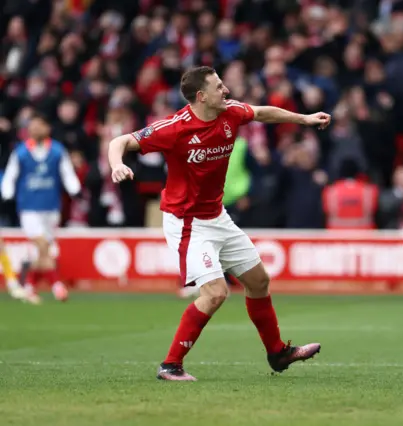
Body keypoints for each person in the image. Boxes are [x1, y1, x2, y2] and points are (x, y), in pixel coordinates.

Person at [108, 66, 330, 381]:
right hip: (187, 221)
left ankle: (278, 354)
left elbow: (262, 113)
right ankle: (170, 365)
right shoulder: (174, 128)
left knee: (258, 281)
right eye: (218, 87)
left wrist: (304, 119)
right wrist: (117, 165)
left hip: (217, 215)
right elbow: (120, 141)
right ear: (201, 96)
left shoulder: (230, 113)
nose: (226, 91)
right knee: (215, 293)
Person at [1, 113, 81, 304]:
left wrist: (74, 188)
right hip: (28, 206)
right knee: (41, 244)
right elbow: (11, 174)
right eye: (32, 126)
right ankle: (57, 285)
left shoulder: (56, 150)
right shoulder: (20, 151)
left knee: (43, 250)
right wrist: (7, 192)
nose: (34, 129)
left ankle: (28, 286)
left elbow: (66, 172)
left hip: (51, 206)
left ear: (47, 128)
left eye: (38, 126)